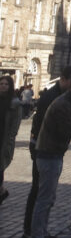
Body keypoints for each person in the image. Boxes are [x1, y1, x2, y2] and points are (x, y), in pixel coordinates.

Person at [32, 69, 71, 238]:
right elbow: (67, 129)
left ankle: (41, 231)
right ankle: (38, 233)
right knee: (44, 199)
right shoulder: (63, 103)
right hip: (49, 154)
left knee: (48, 198)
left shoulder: (67, 101)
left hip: (51, 153)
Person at [24, 64, 71, 237]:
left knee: (42, 193)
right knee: (39, 193)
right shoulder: (53, 97)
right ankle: (32, 231)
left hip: (46, 148)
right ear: (64, 80)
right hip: (44, 149)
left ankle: (35, 230)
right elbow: (44, 124)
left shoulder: (61, 96)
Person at [0, 74, 22, 204]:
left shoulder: (14, 103)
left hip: (4, 140)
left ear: (10, 86)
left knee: (0, 167)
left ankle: (1, 191)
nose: (3, 86)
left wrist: (10, 140)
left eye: (6, 84)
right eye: (1, 84)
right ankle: (2, 191)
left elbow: (15, 125)